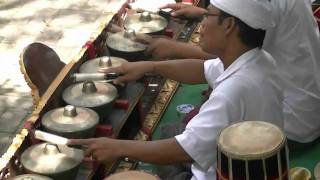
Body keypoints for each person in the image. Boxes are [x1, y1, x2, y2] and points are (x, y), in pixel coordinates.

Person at [68, 0, 284, 179]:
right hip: (242, 161)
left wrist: (119, 148)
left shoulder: (234, 90)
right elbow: (203, 69)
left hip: (218, 174)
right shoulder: (259, 59)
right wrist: (149, 66)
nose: (202, 24)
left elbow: (184, 150)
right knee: (173, 130)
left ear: (228, 26)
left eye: (207, 16)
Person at [147, 0, 320, 143]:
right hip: (306, 95)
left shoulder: (238, 82)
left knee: (182, 127)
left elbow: (227, 46)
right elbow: (243, 23)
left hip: (292, 120)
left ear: (229, 25)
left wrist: (172, 48)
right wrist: (208, 14)